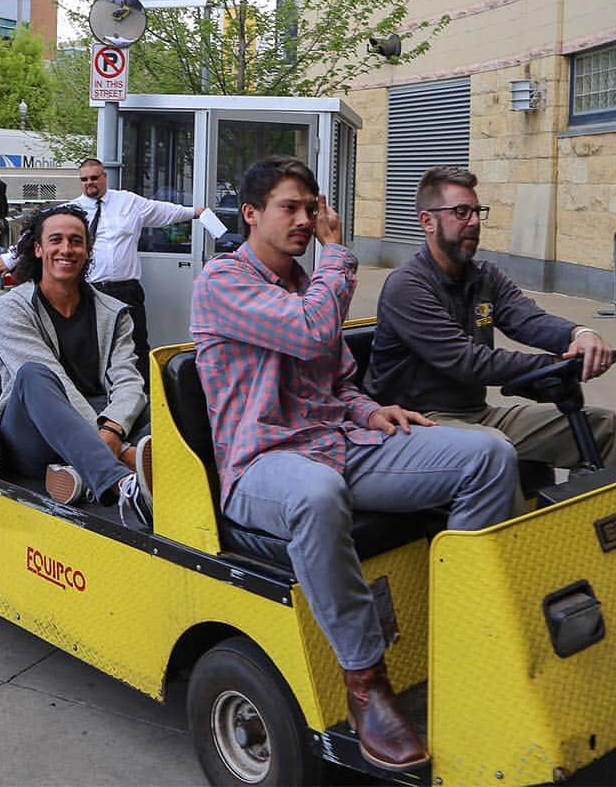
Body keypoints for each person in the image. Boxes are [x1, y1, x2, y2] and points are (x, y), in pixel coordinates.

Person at [190, 156, 516, 772]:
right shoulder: (223, 282)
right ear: (251, 213)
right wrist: (340, 256)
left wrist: (372, 413)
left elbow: (337, 379)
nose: (306, 220)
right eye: (291, 207)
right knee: (315, 494)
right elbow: (312, 334)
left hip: (338, 445)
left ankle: (467, 638)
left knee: (490, 455)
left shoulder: (303, 286)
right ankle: (367, 682)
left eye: (312, 209)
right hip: (262, 464)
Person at [366, 166, 616, 510]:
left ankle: (610, 533)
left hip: (475, 414)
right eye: (461, 212)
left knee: (601, 426)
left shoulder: (484, 276)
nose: (473, 221)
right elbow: (467, 361)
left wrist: (579, 336)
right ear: (427, 221)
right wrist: (558, 365)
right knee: (495, 450)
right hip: (419, 422)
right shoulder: (407, 287)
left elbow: (528, 319)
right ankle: (523, 556)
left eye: (477, 211)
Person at [0, 204, 152, 523]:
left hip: (103, 426)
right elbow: (56, 380)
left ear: (88, 250)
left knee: (157, 405)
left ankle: (77, 475)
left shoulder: (115, 312)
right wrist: (115, 446)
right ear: (38, 249)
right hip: (31, 431)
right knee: (34, 375)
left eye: (76, 241)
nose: (67, 249)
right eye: (56, 240)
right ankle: (122, 484)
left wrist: (113, 429)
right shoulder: (11, 309)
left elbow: (129, 382)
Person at [0, 157, 203, 385]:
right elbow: (35, 233)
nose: (89, 183)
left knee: (137, 346)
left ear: (104, 177)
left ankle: (146, 400)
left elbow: (165, 211)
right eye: (84, 179)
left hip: (126, 290)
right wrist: (10, 258)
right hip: (90, 292)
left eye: (94, 178)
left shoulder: (129, 202)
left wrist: (196, 212)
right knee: (94, 348)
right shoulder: (70, 211)